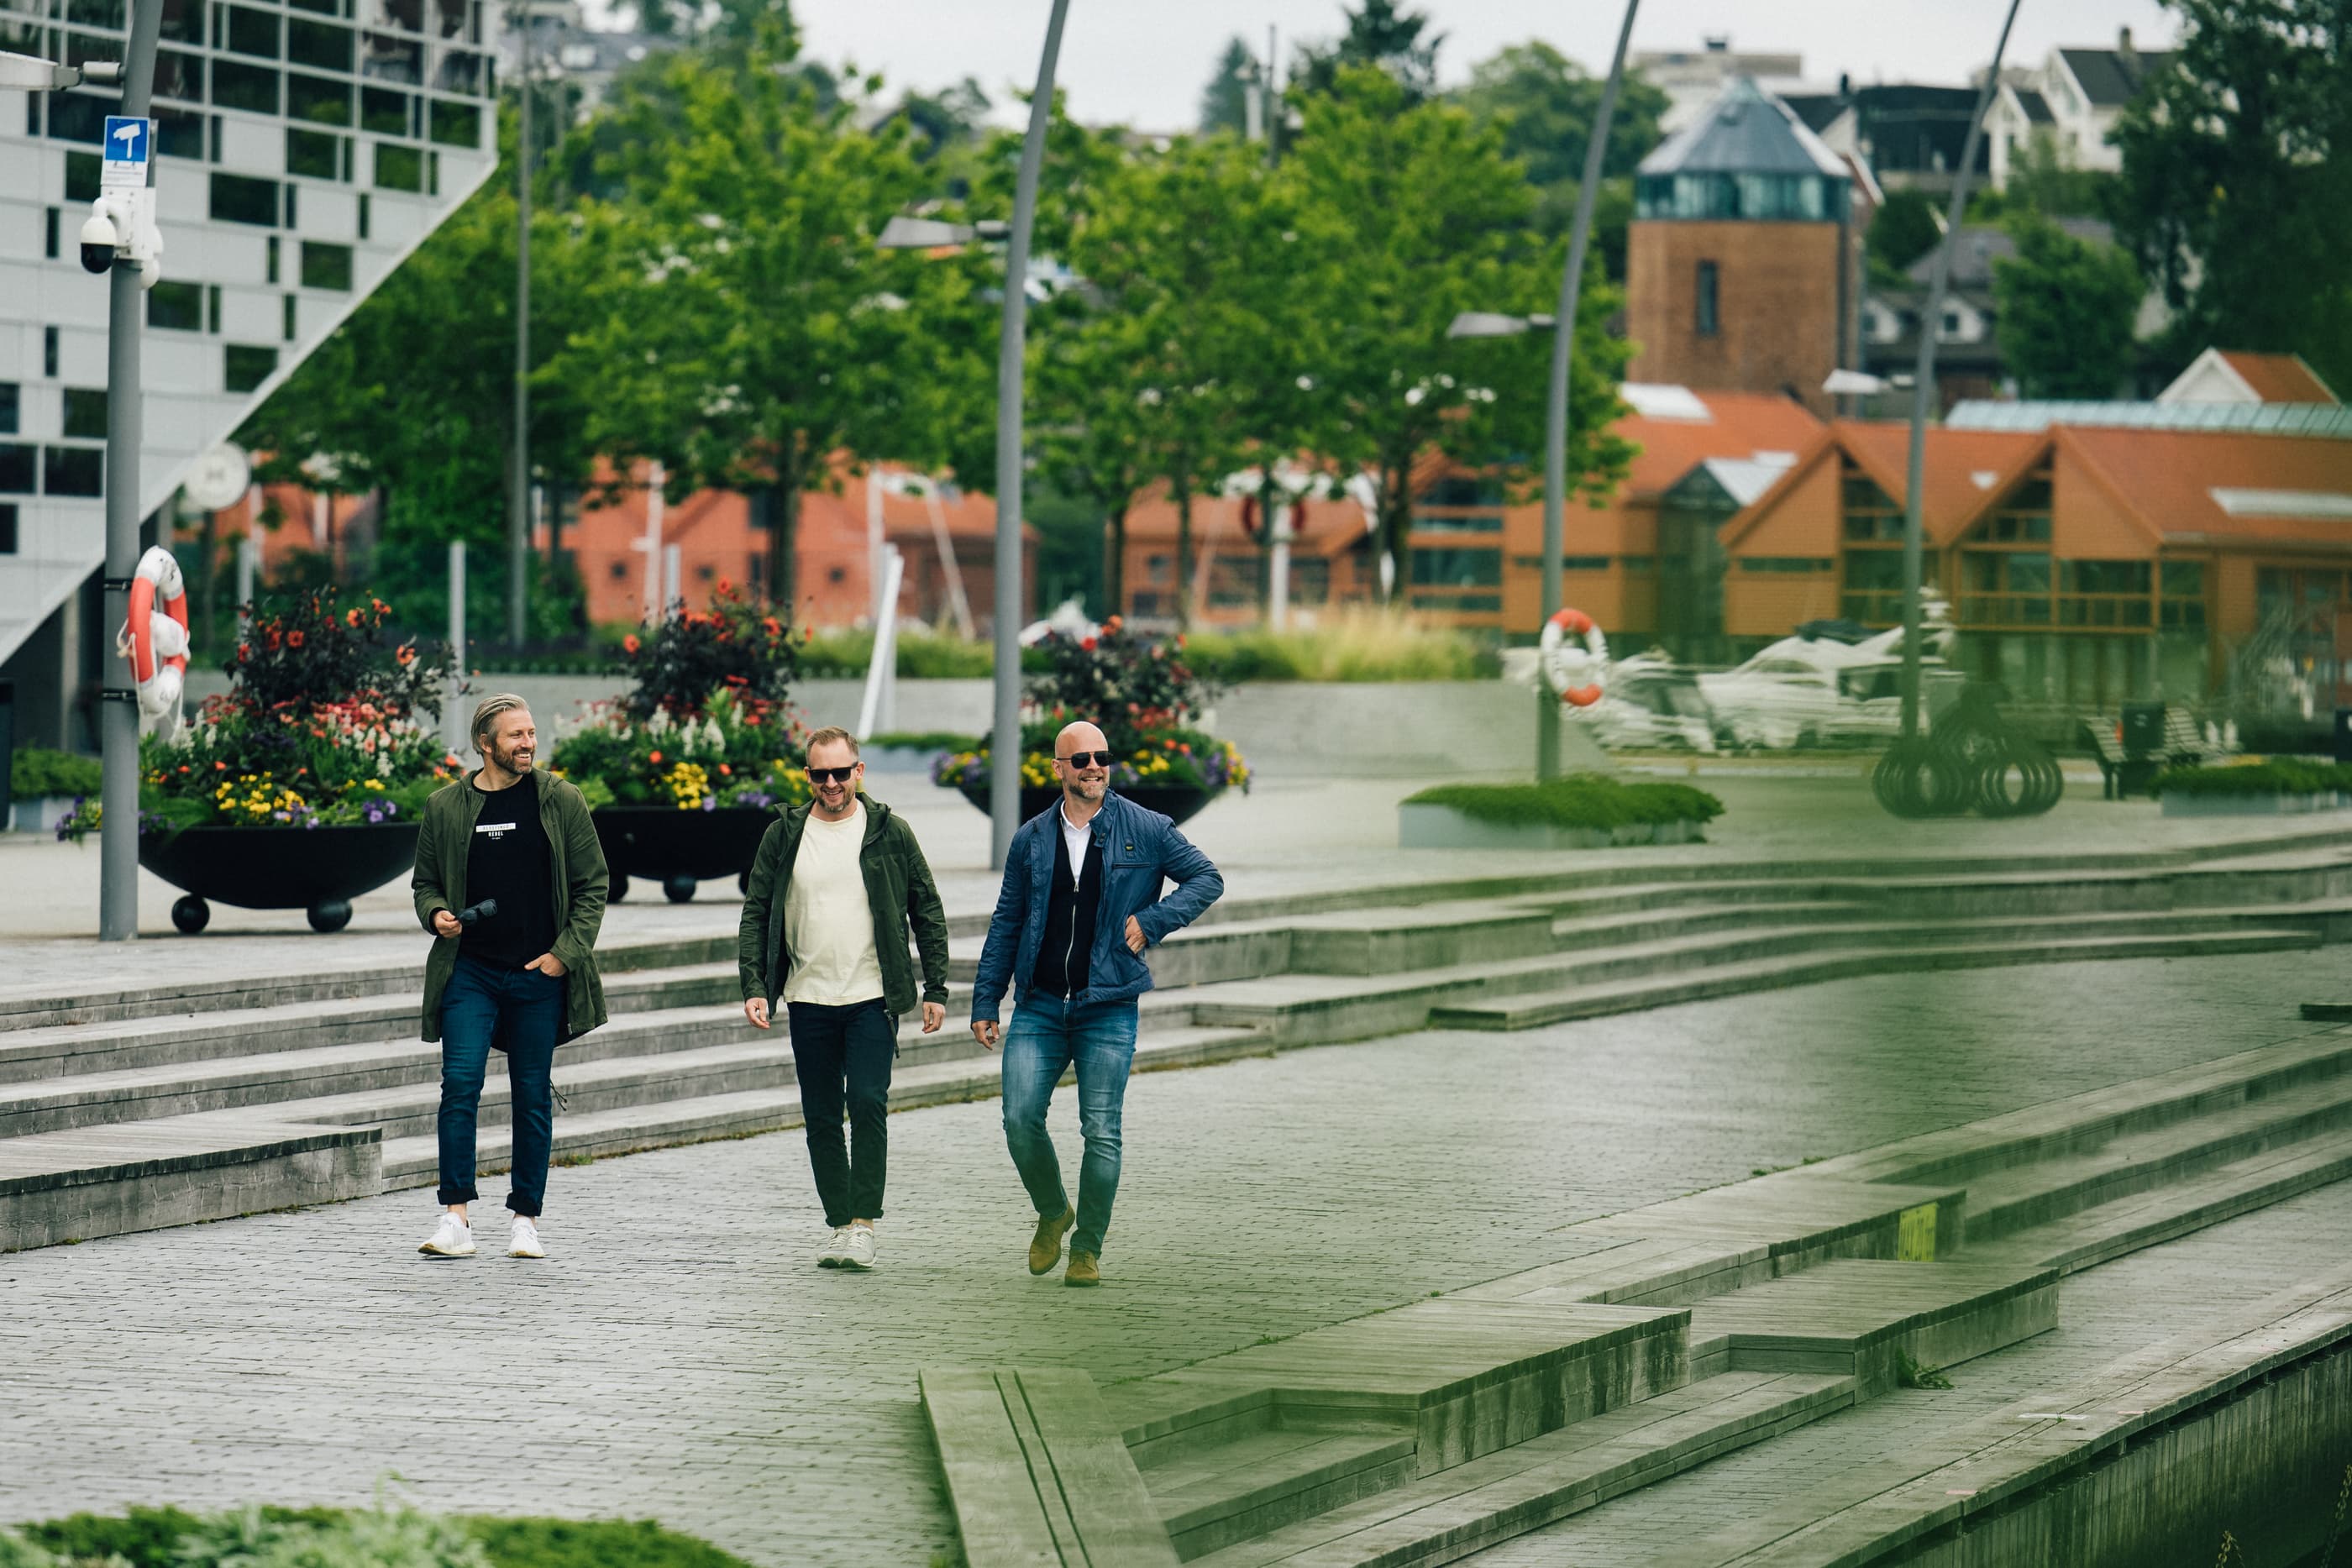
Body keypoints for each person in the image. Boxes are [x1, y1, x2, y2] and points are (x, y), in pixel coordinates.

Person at [971, 720, 1224, 1287]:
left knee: (1101, 1129)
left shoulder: (1149, 828)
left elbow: (1206, 879)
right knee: (1018, 1119)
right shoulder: (1031, 839)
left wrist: (1153, 921)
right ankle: (1054, 1208)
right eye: (1079, 758)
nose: (1092, 766)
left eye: (1100, 756)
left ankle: (1087, 1248)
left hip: (1108, 1003)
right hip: (1038, 1003)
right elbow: (1007, 920)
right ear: (1058, 768)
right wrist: (987, 997)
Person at [738, 727, 951, 1271]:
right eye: (819, 774)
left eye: (841, 772)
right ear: (806, 776)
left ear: (860, 770)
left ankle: (864, 1224)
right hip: (807, 997)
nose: (830, 783)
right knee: (821, 1115)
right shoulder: (784, 835)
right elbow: (757, 912)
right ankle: (838, 1223)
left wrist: (936, 988)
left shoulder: (889, 832)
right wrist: (754, 986)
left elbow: (926, 907)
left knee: (868, 1102)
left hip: (871, 997)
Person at [410, 694, 609, 1260]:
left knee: (531, 1095)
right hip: (468, 971)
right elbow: (424, 883)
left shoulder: (560, 800)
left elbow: (594, 885)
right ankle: (455, 1218)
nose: (528, 742)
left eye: (530, 732)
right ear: (486, 743)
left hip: (537, 974)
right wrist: (436, 914)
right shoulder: (446, 805)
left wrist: (562, 955)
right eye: (515, 735)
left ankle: (526, 1218)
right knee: (460, 1087)